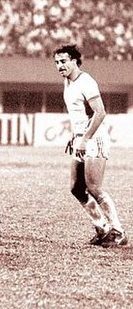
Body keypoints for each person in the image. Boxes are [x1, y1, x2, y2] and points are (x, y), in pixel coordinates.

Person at [53, 44, 127, 247]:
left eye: (64, 61)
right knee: (76, 188)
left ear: (75, 61)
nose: (60, 66)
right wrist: (74, 135)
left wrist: (85, 138)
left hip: (95, 139)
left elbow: (100, 112)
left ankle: (118, 231)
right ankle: (102, 228)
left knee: (94, 187)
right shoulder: (67, 82)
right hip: (81, 138)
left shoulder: (86, 82)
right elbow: (80, 113)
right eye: (57, 62)